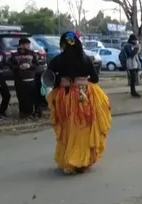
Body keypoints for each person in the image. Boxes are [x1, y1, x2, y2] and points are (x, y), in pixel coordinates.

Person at [46, 31, 112, 174]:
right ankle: (81, 159)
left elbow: (49, 78)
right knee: (83, 127)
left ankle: (70, 158)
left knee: (68, 127)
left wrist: (62, 81)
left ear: (63, 44)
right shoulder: (86, 59)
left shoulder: (57, 60)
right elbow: (94, 79)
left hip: (65, 96)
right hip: (84, 95)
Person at [9, 37, 40, 118]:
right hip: (20, 80)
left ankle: (31, 113)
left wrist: (30, 65)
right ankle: (23, 113)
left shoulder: (32, 53)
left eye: (29, 45)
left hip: (31, 79)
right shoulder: (14, 55)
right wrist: (19, 67)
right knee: (21, 97)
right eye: (27, 45)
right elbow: (11, 66)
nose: (28, 46)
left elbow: (36, 65)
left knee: (31, 97)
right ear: (21, 45)